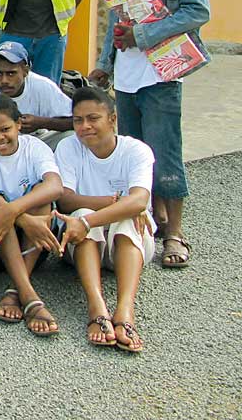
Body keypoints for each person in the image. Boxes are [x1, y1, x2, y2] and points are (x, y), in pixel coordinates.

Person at [90, 0, 209, 269]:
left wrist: (142, 35)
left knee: (165, 151)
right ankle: (152, 220)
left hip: (161, 75)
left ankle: (175, 233)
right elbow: (117, 21)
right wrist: (105, 63)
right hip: (126, 79)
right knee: (137, 153)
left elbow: (197, 11)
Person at [54, 87, 157, 352]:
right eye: (78, 120)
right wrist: (115, 204)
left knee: (127, 220)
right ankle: (97, 306)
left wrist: (98, 217)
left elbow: (140, 200)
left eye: (93, 118)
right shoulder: (68, 147)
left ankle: (125, 310)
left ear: (112, 119)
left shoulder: (137, 150)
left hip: (131, 242)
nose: (85, 126)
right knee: (82, 214)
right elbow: (65, 200)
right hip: (80, 243)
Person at [0, 94, 63, 337]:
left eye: (5, 129)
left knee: (40, 198)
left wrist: (13, 209)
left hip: (31, 245)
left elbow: (55, 186)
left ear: (19, 124)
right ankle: (29, 296)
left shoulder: (35, 147)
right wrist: (17, 215)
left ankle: (15, 289)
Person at [0, 41, 73, 150]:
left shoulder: (42, 85)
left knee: (70, 136)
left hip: (39, 142)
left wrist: (41, 123)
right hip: (0, 143)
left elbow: (74, 121)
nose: (4, 80)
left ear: (25, 71)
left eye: (11, 73)